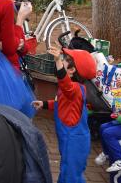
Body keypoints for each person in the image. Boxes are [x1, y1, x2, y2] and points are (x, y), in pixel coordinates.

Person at [32, 47, 96, 183]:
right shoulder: (72, 89)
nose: (61, 61)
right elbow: (62, 104)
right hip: (69, 138)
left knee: (71, 175)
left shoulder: (75, 89)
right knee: (67, 170)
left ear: (72, 70)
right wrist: (44, 104)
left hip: (74, 139)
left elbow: (65, 84)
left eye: (65, 60)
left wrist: (57, 60)